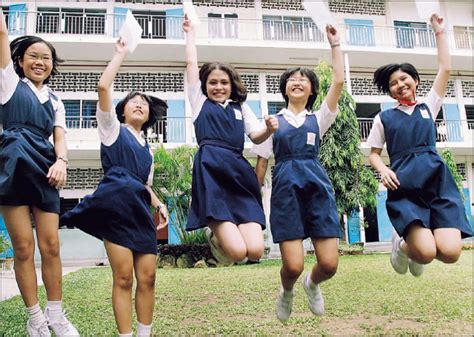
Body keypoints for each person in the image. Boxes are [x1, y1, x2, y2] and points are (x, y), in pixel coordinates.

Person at [61, 39, 169, 337]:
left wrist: (159, 204)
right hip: (116, 210)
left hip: (140, 212)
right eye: (133, 101)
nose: (139, 104)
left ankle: (145, 334)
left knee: (147, 277)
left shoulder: (148, 149)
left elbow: (146, 185)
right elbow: (103, 88)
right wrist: (121, 52)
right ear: (122, 111)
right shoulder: (111, 131)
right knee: (123, 278)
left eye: (144, 103)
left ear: (148, 116)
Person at [366, 13, 472, 278]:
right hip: (405, 185)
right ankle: (403, 245)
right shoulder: (384, 117)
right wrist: (383, 170)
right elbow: (374, 153)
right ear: (390, 92)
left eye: (404, 79)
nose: (400, 84)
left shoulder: (429, 105)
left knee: (450, 252)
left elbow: (445, 68)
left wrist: (439, 32)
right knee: (424, 253)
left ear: (414, 80)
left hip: (436, 181)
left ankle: (414, 245)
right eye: (393, 84)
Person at [252, 25, 344, 322]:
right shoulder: (273, 122)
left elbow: (339, 81)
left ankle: (312, 284)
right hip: (285, 191)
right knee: (292, 266)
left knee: (329, 264)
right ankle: (287, 291)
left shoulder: (319, 118)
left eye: (303, 79)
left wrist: (335, 45)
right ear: (285, 88)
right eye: (292, 79)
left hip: (317, 188)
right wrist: (253, 203)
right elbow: (262, 164)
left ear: (312, 89)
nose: (297, 81)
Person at [0, 9, 78, 337]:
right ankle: (35, 318)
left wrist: (61, 162)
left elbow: (60, 138)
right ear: (19, 61)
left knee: (51, 245)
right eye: (33, 56)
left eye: (46, 58)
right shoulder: (7, 84)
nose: (40, 62)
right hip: (12, 164)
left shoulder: (56, 100)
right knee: (22, 247)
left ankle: (56, 315)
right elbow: (2, 37)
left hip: (46, 167)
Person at [183, 14, 278, 265]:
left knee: (255, 251)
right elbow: (191, 63)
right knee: (237, 253)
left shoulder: (240, 107)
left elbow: (256, 136)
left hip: (237, 171)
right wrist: (190, 33)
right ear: (204, 85)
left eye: (223, 82)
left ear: (231, 84)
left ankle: (231, 233)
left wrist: (268, 129)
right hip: (210, 169)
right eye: (212, 82)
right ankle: (214, 235)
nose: (218, 87)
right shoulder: (199, 101)